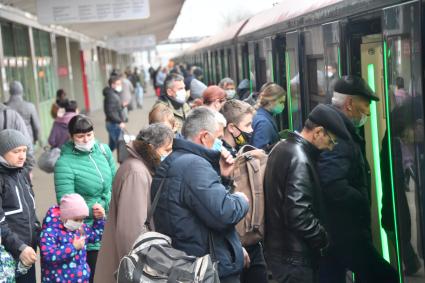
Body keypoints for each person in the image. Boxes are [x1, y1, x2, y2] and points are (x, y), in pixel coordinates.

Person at [151, 107, 250, 282]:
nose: (222, 143)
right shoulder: (195, 167)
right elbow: (223, 213)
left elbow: (201, 206)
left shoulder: (174, 161)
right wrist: (242, 200)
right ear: (204, 137)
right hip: (207, 269)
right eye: (219, 138)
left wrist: (223, 178)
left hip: (185, 264)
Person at [317, 76, 398, 283]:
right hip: (344, 232)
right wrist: (360, 199)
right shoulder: (338, 136)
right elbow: (332, 184)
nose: (369, 112)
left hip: (338, 233)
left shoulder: (338, 128)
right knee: (385, 276)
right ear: (350, 104)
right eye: (366, 104)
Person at [264, 104, 349, 283]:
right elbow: (298, 214)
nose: (330, 148)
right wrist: (323, 239)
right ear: (318, 132)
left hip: (280, 253)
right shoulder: (300, 159)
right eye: (330, 141)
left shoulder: (282, 147)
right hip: (294, 258)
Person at [94, 123, 174, 283]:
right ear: (152, 147)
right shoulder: (136, 172)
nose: (170, 154)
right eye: (167, 149)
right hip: (131, 267)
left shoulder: (139, 167)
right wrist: (142, 271)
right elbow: (131, 232)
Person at [54, 114, 116, 283]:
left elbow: (115, 184)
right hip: (86, 233)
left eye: (89, 135)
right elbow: (65, 202)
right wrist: (91, 210)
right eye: (80, 136)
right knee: (95, 276)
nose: (86, 139)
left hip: (110, 225)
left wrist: (104, 203)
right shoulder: (64, 163)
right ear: (71, 137)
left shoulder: (104, 151)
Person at [220, 100, 267, 283]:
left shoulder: (238, 151)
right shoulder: (222, 158)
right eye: (247, 125)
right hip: (236, 245)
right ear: (231, 128)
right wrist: (234, 244)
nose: (251, 131)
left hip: (250, 241)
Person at [380, 97, 421, 276]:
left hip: (394, 193)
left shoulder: (396, 141)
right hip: (394, 190)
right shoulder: (395, 144)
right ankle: (410, 260)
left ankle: (410, 261)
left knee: (395, 219)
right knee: (397, 218)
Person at [0, 129, 39, 283]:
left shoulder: (22, 173)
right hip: (10, 253)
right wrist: (20, 247)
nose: (22, 155)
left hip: (28, 251)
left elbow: (31, 207)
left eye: (24, 150)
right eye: (16, 151)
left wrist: (39, 231)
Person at [40, 194, 105, 283]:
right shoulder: (50, 232)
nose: (79, 223)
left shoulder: (81, 228)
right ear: (64, 216)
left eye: (82, 219)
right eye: (76, 220)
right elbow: (48, 256)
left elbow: (96, 235)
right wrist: (72, 247)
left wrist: (100, 219)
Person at [251, 83, 286, 151]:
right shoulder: (263, 123)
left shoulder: (263, 115)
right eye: (281, 102)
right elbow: (259, 152)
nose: (283, 105)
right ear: (270, 102)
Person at [103, 75, 126, 151]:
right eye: (118, 84)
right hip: (114, 124)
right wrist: (120, 121)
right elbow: (110, 112)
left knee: (112, 146)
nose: (120, 86)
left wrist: (121, 106)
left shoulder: (113, 93)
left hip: (113, 123)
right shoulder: (111, 95)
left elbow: (114, 109)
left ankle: (104, 159)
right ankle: (123, 162)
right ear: (113, 85)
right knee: (121, 146)